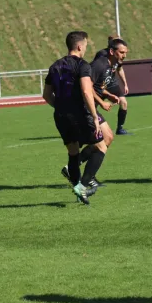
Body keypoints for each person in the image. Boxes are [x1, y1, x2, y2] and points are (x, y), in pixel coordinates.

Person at [42, 31, 108, 205]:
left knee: (73, 152)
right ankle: (83, 185)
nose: (86, 48)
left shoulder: (54, 66)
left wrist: (61, 108)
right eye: (86, 45)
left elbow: (47, 95)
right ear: (79, 46)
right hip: (80, 113)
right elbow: (87, 91)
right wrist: (94, 116)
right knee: (100, 146)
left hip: (61, 115)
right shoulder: (82, 65)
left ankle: (78, 185)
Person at [61, 38, 123, 188]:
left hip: (91, 108)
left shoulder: (112, 65)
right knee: (101, 142)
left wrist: (107, 95)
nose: (124, 55)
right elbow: (87, 87)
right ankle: (84, 179)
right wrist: (101, 102)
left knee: (108, 138)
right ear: (112, 52)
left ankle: (73, 170)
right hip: (85, 109)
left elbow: (98, 87)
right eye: (122, 52)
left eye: (125, 53)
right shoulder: (98, 65)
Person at [94, 36, 131, 135]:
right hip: (99, 83)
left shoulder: (118, 58)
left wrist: (125, 84)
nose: (124, 55)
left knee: (123, 102)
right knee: (92, 106)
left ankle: (120, 128)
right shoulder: (102, 57)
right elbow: (94, 76)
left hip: (110, 82)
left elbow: (119, 69)